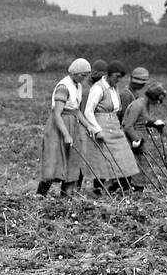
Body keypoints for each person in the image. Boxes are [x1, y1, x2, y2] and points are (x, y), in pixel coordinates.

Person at [82, 60, 139, 193]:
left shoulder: (114, 88)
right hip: (102, 126)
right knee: (102, 160)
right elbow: (88, 112)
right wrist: (97, 130)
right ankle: (98, 190)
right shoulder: (98, 88)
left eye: (120, 77)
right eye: (116, 76)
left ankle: (123, 188)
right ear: (109, 74)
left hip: (114, 126)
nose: (118, 80)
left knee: (125, 157)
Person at [36, 58, 91, 197]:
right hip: (58, 127)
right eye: (83, 75)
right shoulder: (64, 87)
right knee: (54, 162)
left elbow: (76, 110)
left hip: (72, 125)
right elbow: (57, 113)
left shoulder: (77, 86)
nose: (84, 79)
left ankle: (66, 197)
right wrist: (66, 134)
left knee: (73, 162)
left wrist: (88, 126)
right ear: (76, 73)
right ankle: (40, 196)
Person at [122, 80, 167, 190]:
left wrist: (154, 123)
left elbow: (143, 120)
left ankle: (137, 189)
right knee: (134, 167)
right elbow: (128, 126)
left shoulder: (145, 104)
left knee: (141, 166)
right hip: (132, 142)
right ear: (153, 97)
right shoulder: (138, 105)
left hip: (140, 141)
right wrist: (136, 140)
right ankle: (131, 190)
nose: (158, 103)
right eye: (157, 100)